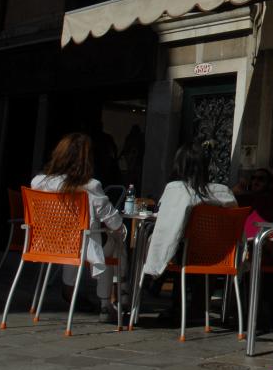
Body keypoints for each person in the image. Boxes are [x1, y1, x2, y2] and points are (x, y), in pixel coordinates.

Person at [31, 132, 127, 323]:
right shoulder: (90, 186)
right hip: (79, 245)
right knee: (117, 239)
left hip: (49, 243)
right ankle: (111, 300)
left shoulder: (38, 182)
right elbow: (114, 222)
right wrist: (122, 231)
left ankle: (70, 289)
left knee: (77, 237)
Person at [143, 141, 238, 278]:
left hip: (186, 255)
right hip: (219, 256)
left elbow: (168, 228)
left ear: (178, 165)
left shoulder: (177, 191)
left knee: (157, 236)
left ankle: (150, 284)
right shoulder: (224, 194)